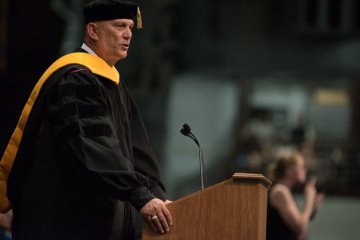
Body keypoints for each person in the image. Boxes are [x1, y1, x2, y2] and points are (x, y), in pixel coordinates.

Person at [0, 0, 172, 239]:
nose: (128, 34)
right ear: (93, 31)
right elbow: (93, 148)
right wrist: (140, 195)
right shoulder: (76, 79)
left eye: (131, 28)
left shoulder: (113, 84)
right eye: (119, 25)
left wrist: (158, 197)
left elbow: (137, 152)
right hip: (65, 224)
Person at [266, 150, 323, 240]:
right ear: (289, 170)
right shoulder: (280, 191)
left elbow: (301, 229)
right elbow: (299, 227)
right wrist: (309, 199)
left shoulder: (286, 191)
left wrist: (313, 209)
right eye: (301, 166)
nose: (305, 170)